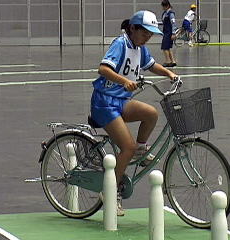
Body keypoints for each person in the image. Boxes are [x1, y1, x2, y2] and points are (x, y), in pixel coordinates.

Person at [90, 10, 178, 216]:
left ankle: (141, 149)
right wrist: (125, 81)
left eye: (150, 33)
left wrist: (169, 73)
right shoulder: (121, 44)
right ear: (132, 28)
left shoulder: (140, 48)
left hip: (120, 101)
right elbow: (103, 69)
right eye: (145, 32)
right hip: (104, 103)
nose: (148, 36)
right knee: (126, 148)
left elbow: (151, 65)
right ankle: (109, 192)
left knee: (151, 113)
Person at [161, 0, 177, 67]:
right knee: (168, 47)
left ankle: (168, 61)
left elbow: (173, 23)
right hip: (166, 31)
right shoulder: (165, 13)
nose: (162, 8)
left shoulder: (171, 13)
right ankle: (173, 61)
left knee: (165, 47)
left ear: (167, 6)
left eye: (163, 6)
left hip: (169, 32)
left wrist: (173, 33)